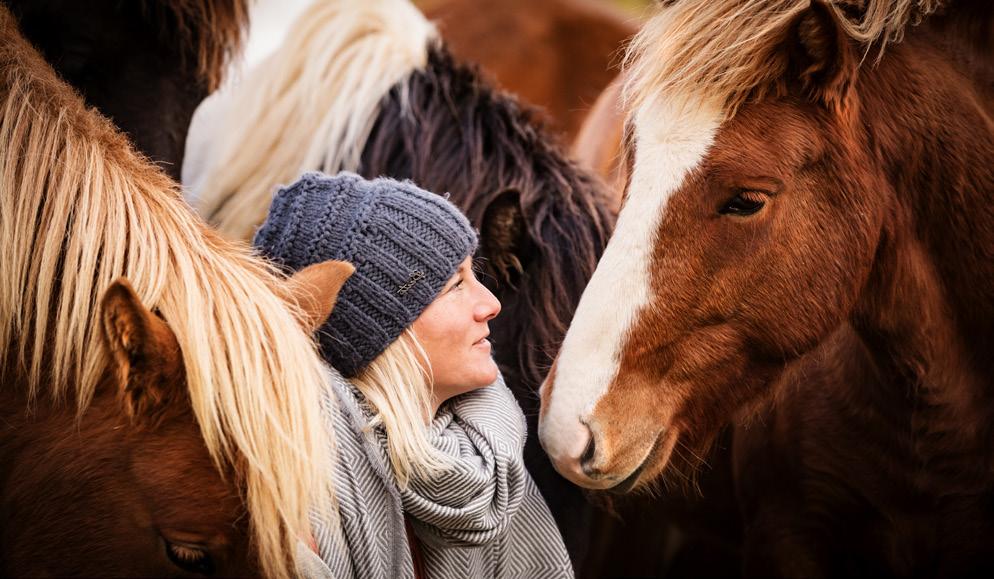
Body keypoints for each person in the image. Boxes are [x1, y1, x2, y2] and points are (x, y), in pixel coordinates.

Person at [254, 172, 573, 579]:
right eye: (455, 285)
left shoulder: (488, 456)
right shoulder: (300, 501)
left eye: (475, 275)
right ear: (377, 334)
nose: (491, 304)